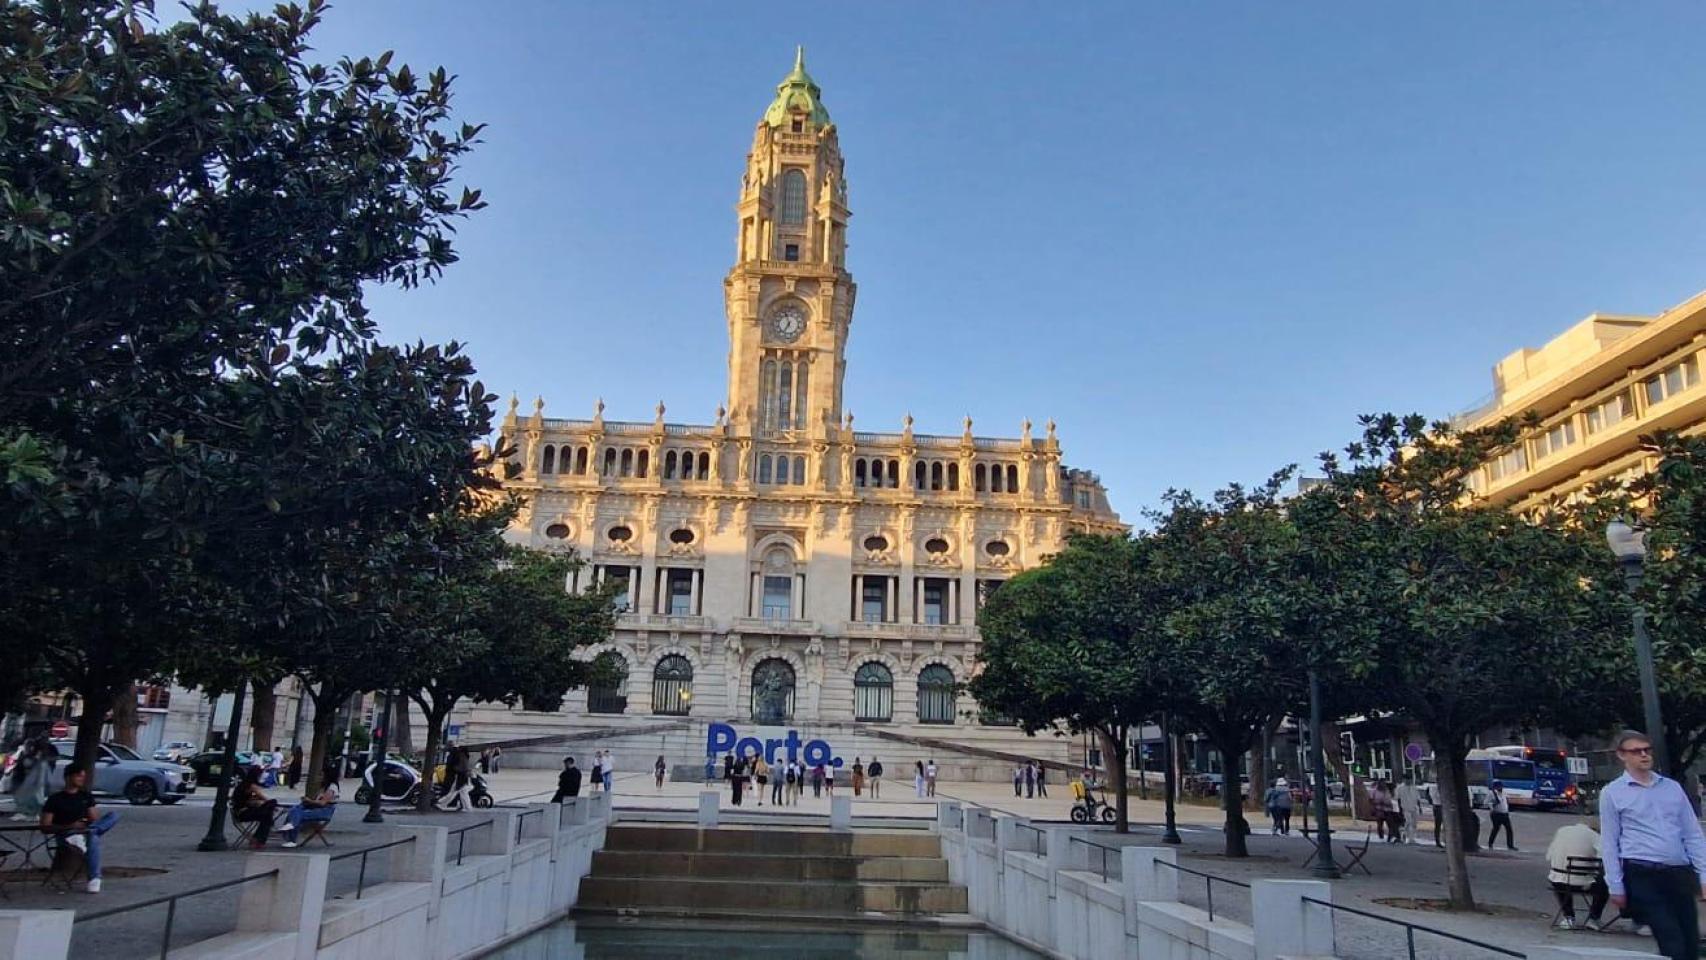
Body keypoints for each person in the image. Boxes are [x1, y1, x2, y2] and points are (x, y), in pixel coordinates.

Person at [1601, 729, 1706, 960]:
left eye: (1647, 750)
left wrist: (1703, 875)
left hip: (1677, 872)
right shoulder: (1612, 793)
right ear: (1622, 755)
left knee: (1690, 941)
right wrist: (1615, 885)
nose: (1644, 755)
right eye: (1636, 751)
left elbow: (1692, 834)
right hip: (1642, 873)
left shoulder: (1672, 788)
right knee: (1670, 940)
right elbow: (1609, 841)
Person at [39, 762, 118, 893]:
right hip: (66, 834)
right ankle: (94, 878)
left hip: (85, 831)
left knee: (112, 817)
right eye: (78, 776)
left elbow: (95, 819)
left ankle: (89, 832)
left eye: (83, 777)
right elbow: (45, 826)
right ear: (68, 777)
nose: (82, 779)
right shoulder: (55, 799)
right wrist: (70, 826)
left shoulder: (85, 796)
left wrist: (89, 819)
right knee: (93, 838)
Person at [1547, 816, 1609, 931]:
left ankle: (1569, 916)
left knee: (1563, 879)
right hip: (1581, 883)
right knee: (1606, 884)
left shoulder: (1561, 831)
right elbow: (1605, 857)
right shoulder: (1594, 836)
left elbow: (1548, 856)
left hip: (1557, 881)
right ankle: (1594, 918)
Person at [280, 778, 339, 848]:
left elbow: (322, 803)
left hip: (324, 811)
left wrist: (309, 800)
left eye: (322, 775)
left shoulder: (332, 787)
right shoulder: (323, 787)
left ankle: (292, 833)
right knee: (295, 809)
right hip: (316, 808)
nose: (320, 777)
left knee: (298, 814)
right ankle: (291, 831)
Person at [9, 735, 57, 821]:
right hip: (31, 779)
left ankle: (34, 812)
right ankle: (30, 812)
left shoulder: (40, 756)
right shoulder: (31, 755)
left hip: (36, 779)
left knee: (36, 795)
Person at [234, 765, 278, 848]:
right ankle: (259, 839)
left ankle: (258, 840)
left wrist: (256, 801)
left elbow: (247, 801)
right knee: (272, 804)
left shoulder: (244, 784)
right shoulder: (251, 786)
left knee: (267, 816)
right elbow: (264, 799)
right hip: (243, 813)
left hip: (240, 812)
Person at [1487, 781, 1516, 851]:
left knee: (1509, 829)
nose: (1501, 788)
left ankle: (1510, 845)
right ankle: (1490, 843)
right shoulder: (1492, 793)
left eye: (1501, 786)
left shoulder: (1504, 793)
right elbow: (1487, 802)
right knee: (1496, 829)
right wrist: (1492, 807)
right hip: (1496, 814)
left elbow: (1505, 801)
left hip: (1505, 813)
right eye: (1499, 787)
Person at [1395, 776, 1424, 845]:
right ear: (1404, 780)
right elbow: (1398, 799)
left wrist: (1420, 808)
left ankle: (1412, 838)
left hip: (1414, 808)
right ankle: (1404, 836)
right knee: (1408, 822)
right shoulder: (1400, 788)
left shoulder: (1414, 788)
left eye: (1410, 780)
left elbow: (1418, 798)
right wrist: (1400, 809)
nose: (1409, 781)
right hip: (1405, 808)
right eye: (1407, 779)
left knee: (1414, 824)